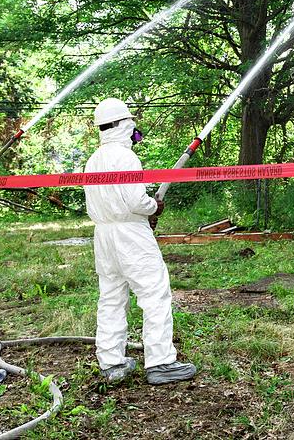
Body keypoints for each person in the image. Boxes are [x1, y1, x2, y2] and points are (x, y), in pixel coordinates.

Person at [84, 98, 196, 385]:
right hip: (130, 235)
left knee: (111, 296)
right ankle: (160, 362)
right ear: (124, 125)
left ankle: (111, 362)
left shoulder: (93, 160)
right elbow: (135, 200)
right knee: (154, 293)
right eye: (131, 124)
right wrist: (152, 207)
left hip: (104, 234)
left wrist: (144, 208)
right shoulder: (125, 158)